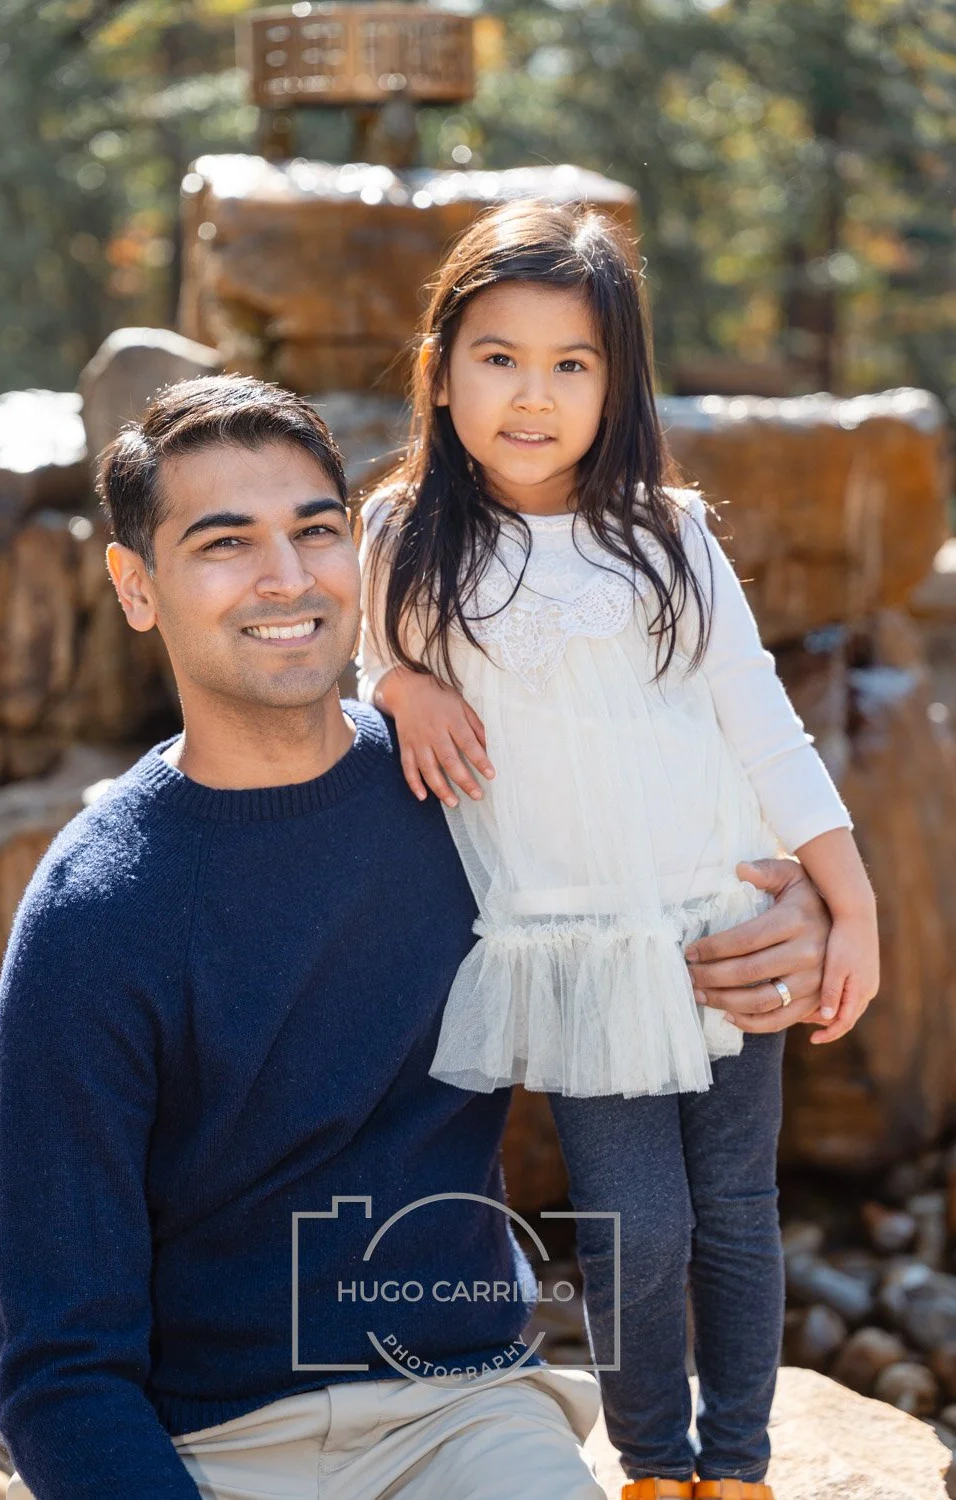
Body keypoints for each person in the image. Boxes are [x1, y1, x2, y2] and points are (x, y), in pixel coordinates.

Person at [0, 375, 836, 1500]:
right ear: (135, 587)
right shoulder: (95, 918)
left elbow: (664, 856)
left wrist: (799, 906)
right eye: (224, 544)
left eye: (316, 531)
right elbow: (60, 1371)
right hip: (213, 1451)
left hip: (469, 1414)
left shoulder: (473, 796)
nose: (287, 579)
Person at [356, 201, 879, 1500]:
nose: (531, 395)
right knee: (638, 1225)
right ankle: (655, 1461)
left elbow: (760, 722)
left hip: (721, 912)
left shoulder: (667, 534)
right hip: (572, 943)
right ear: (440, 366)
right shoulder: (403, 539)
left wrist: (850, 904)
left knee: (736, 1216)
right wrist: (397, 685)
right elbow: (368, 689)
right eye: (499, 356)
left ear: (616, 383)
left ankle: (739, 1467)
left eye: (570, 364)